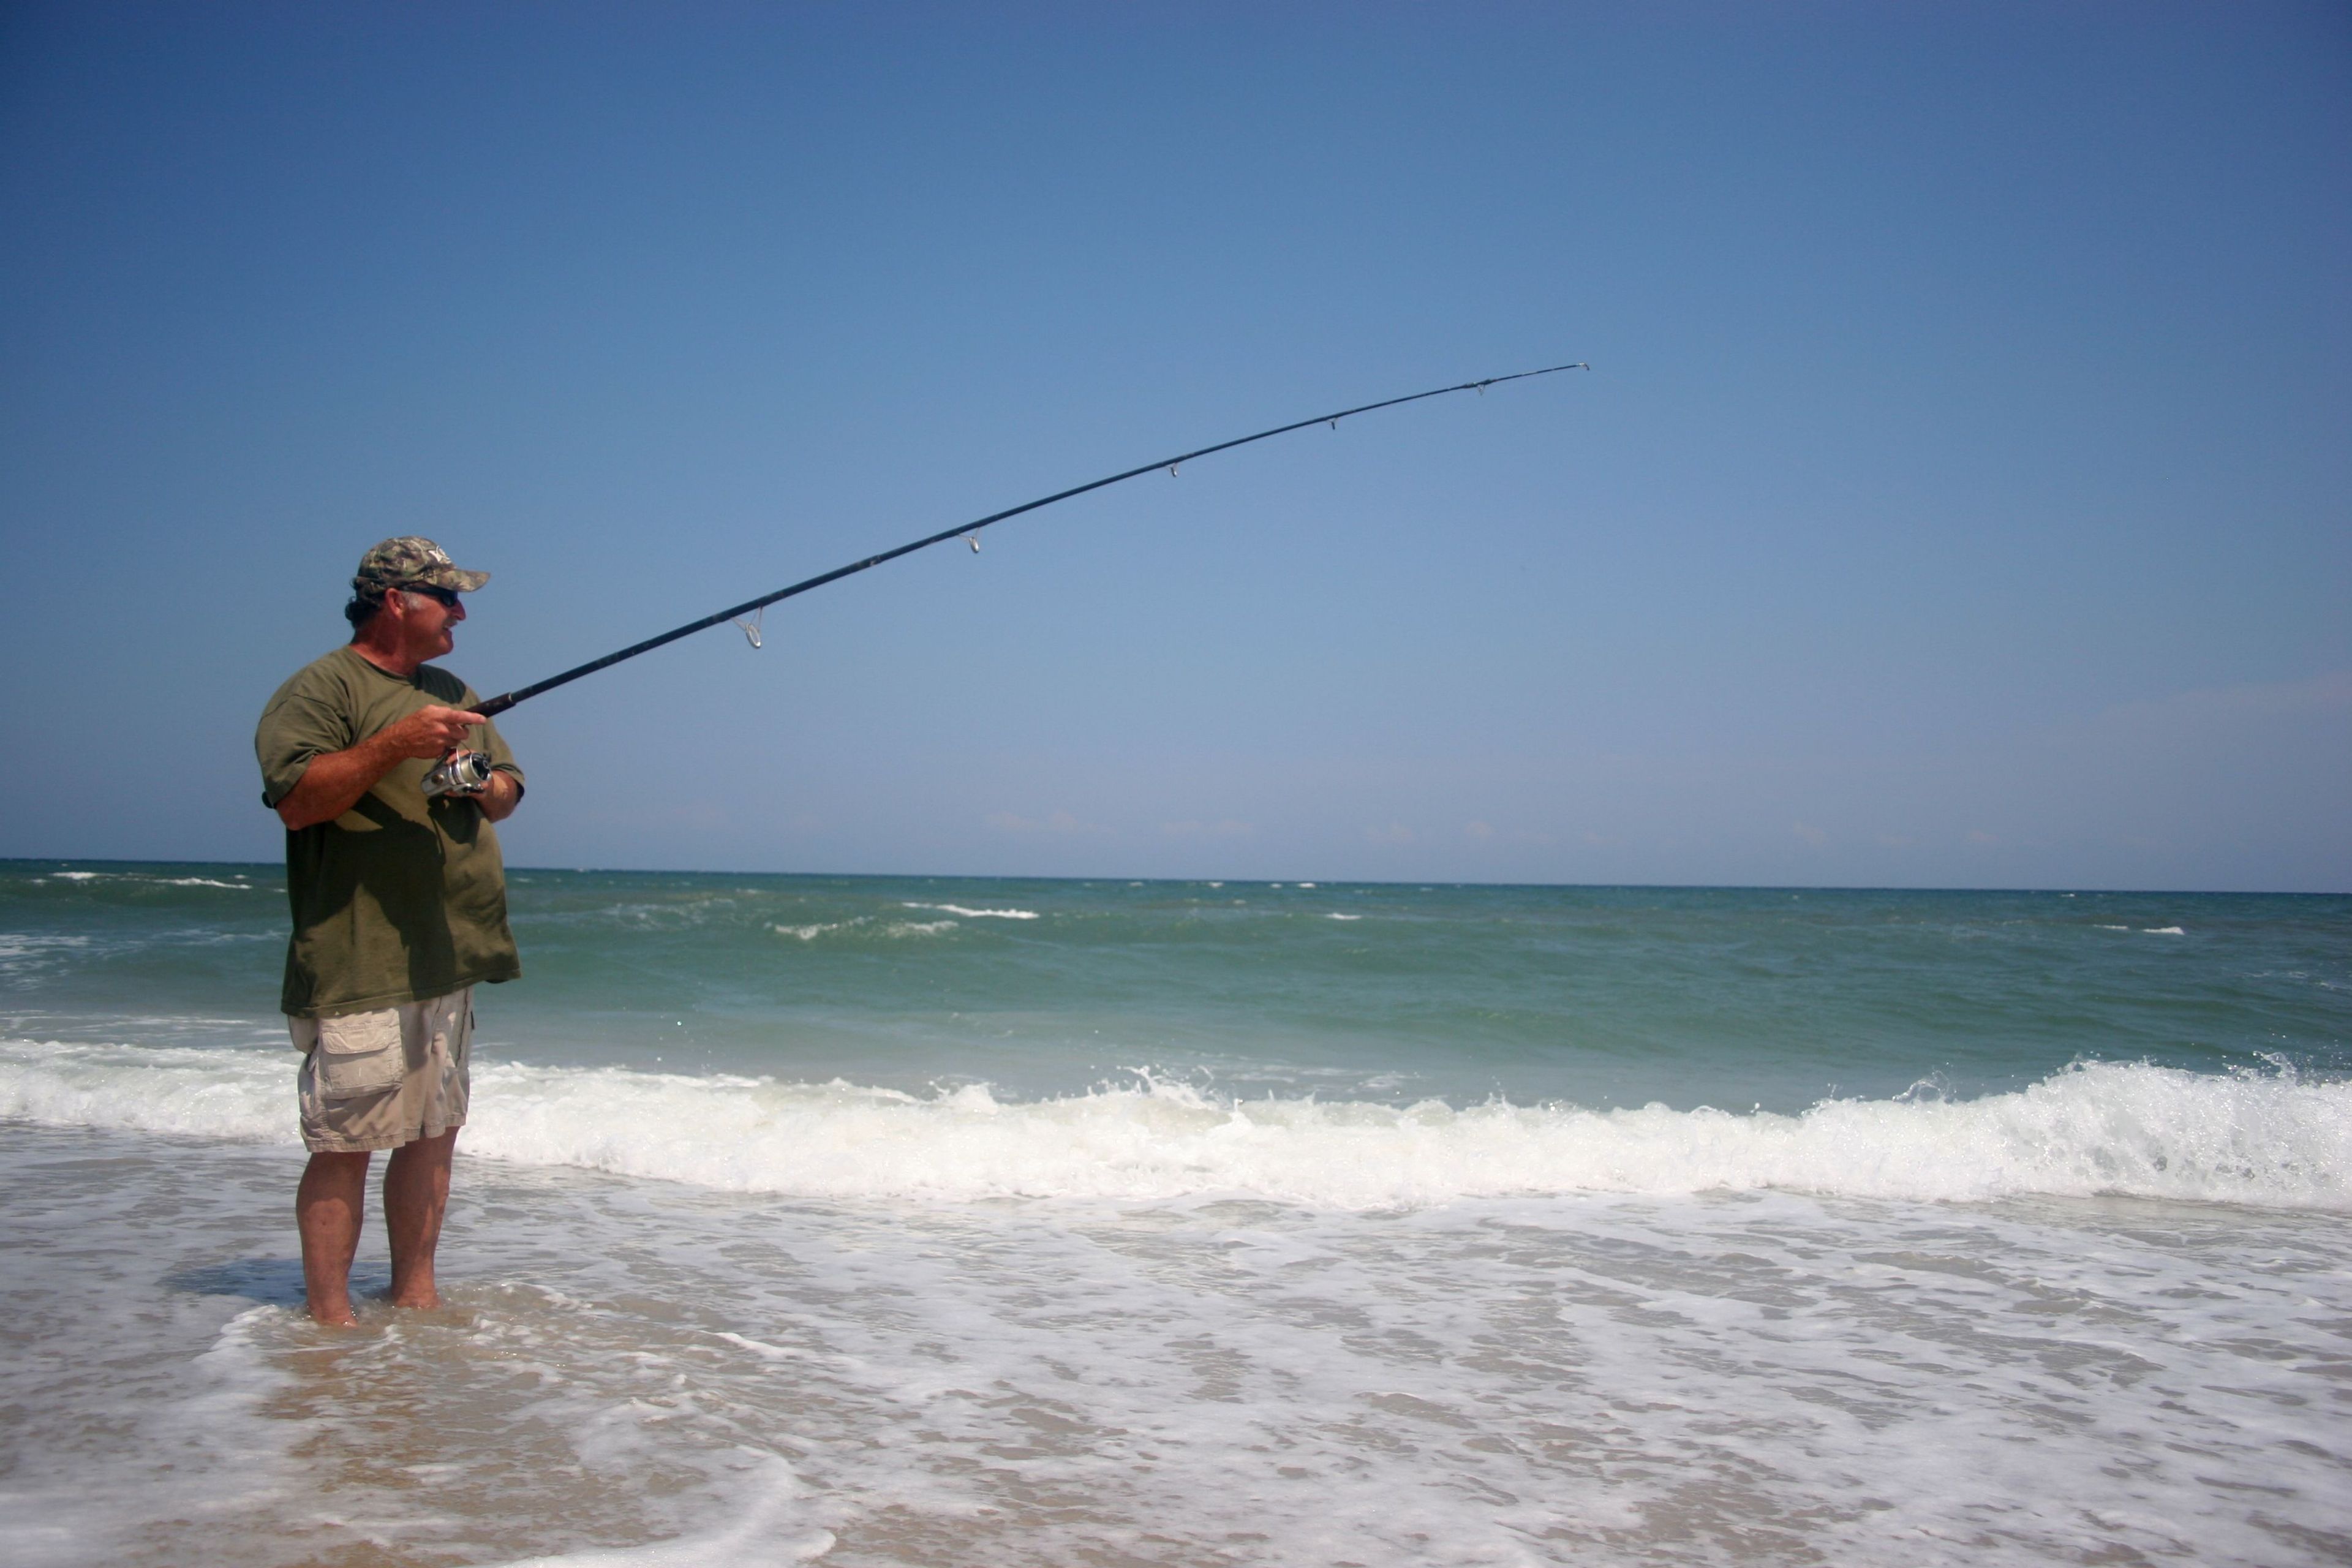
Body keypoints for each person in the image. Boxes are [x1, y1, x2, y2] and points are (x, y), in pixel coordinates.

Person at [254, 537, 526, 1325]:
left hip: (449, 954)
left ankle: (415, 1299)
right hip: (357, 957)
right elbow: (299, 801)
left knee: (433, 1133)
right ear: (396, 600)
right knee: (344, 1145)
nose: (462, 613)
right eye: (448, 597)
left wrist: (478, 779)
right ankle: (329, 1324)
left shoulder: (451, 688)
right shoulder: (318, 690)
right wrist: (391, 747)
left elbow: (508, 790)